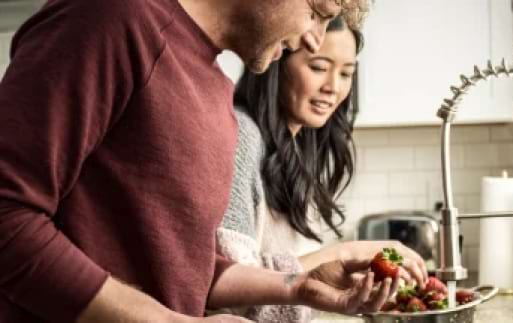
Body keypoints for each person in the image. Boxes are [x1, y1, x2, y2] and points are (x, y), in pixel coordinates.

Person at [0, 0, 378, 322]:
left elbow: (183, 268)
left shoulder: (216, 92)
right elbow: (8, 214)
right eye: (315, 12)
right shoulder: (115, 16)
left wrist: (300, 286)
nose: (313, 38)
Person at [216, 15, 429, 322]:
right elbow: (228, 284)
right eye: (318, 68)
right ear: (277, 60)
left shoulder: (300, 147)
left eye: (346, 73)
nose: (333, 87)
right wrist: (346, 253)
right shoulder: (242, 135)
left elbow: (286, 286)